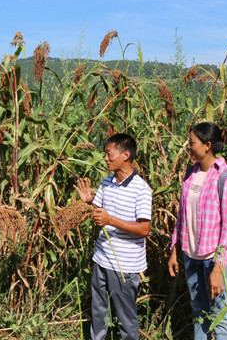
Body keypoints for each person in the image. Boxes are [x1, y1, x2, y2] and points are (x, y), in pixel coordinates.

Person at [168, 122, 227, 340]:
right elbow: (182, 214)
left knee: (220, 314)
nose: (188, 147)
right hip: (191, 255)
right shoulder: (191, 173)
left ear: (207, 145)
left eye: (192, 143)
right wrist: (175, 248)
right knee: (199, 311)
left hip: (215, 259)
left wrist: (218, 268)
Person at [74, 133, 152, 340]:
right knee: (98, 309)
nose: (105, 158)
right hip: (102, 257)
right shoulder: (107, 182)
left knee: (125, 316)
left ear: (125, 155)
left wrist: (111, 220)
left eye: (109, 154)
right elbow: (101, 213)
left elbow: (144, 229)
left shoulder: (141, 190)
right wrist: (90, 203)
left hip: (125, 264)